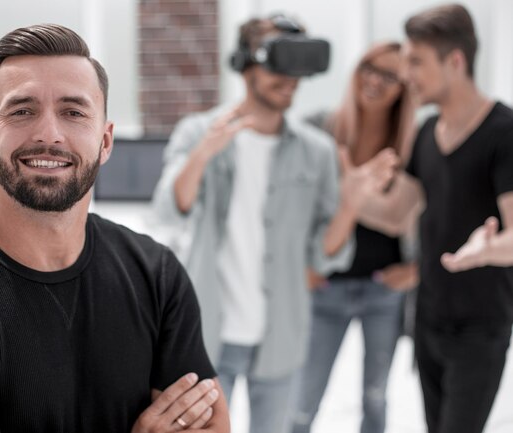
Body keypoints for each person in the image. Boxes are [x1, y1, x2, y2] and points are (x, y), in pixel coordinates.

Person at [0, 23, 230, 433]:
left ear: (105, 142)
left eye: (73, 112)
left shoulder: (157, 274)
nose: (48, 133)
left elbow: (212, 424)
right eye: (22, 110)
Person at [151, 14, 396, 433]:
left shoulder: (316, 151)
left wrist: (350, 205)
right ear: (245, 64)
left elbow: (325, 256)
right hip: (207, 334)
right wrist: (204, 154)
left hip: (282, 335)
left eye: (297, 65)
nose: (290, 79)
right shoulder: (198, 132)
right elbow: (169, 209)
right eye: (277, 63)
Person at [356, 4, 513, 433]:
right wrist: (347, 192)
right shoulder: (426, 132)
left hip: (480, 329)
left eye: (416, 62)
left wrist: (487, 249)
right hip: (427, 322)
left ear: (455, 61)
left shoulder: (504, 132)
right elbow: (394, 214)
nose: (406, 74)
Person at [291, 41, 418, 433]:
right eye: (369, 68)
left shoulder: (411, 146)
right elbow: (292, 205)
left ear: (404, 87)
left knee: (376, 397)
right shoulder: (318, 130)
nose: (375, 81)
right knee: (302, 402)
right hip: (326, 286)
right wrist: (302, 266)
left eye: (390, 75)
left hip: (383, 290)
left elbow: (430, 215)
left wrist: (416, 269)